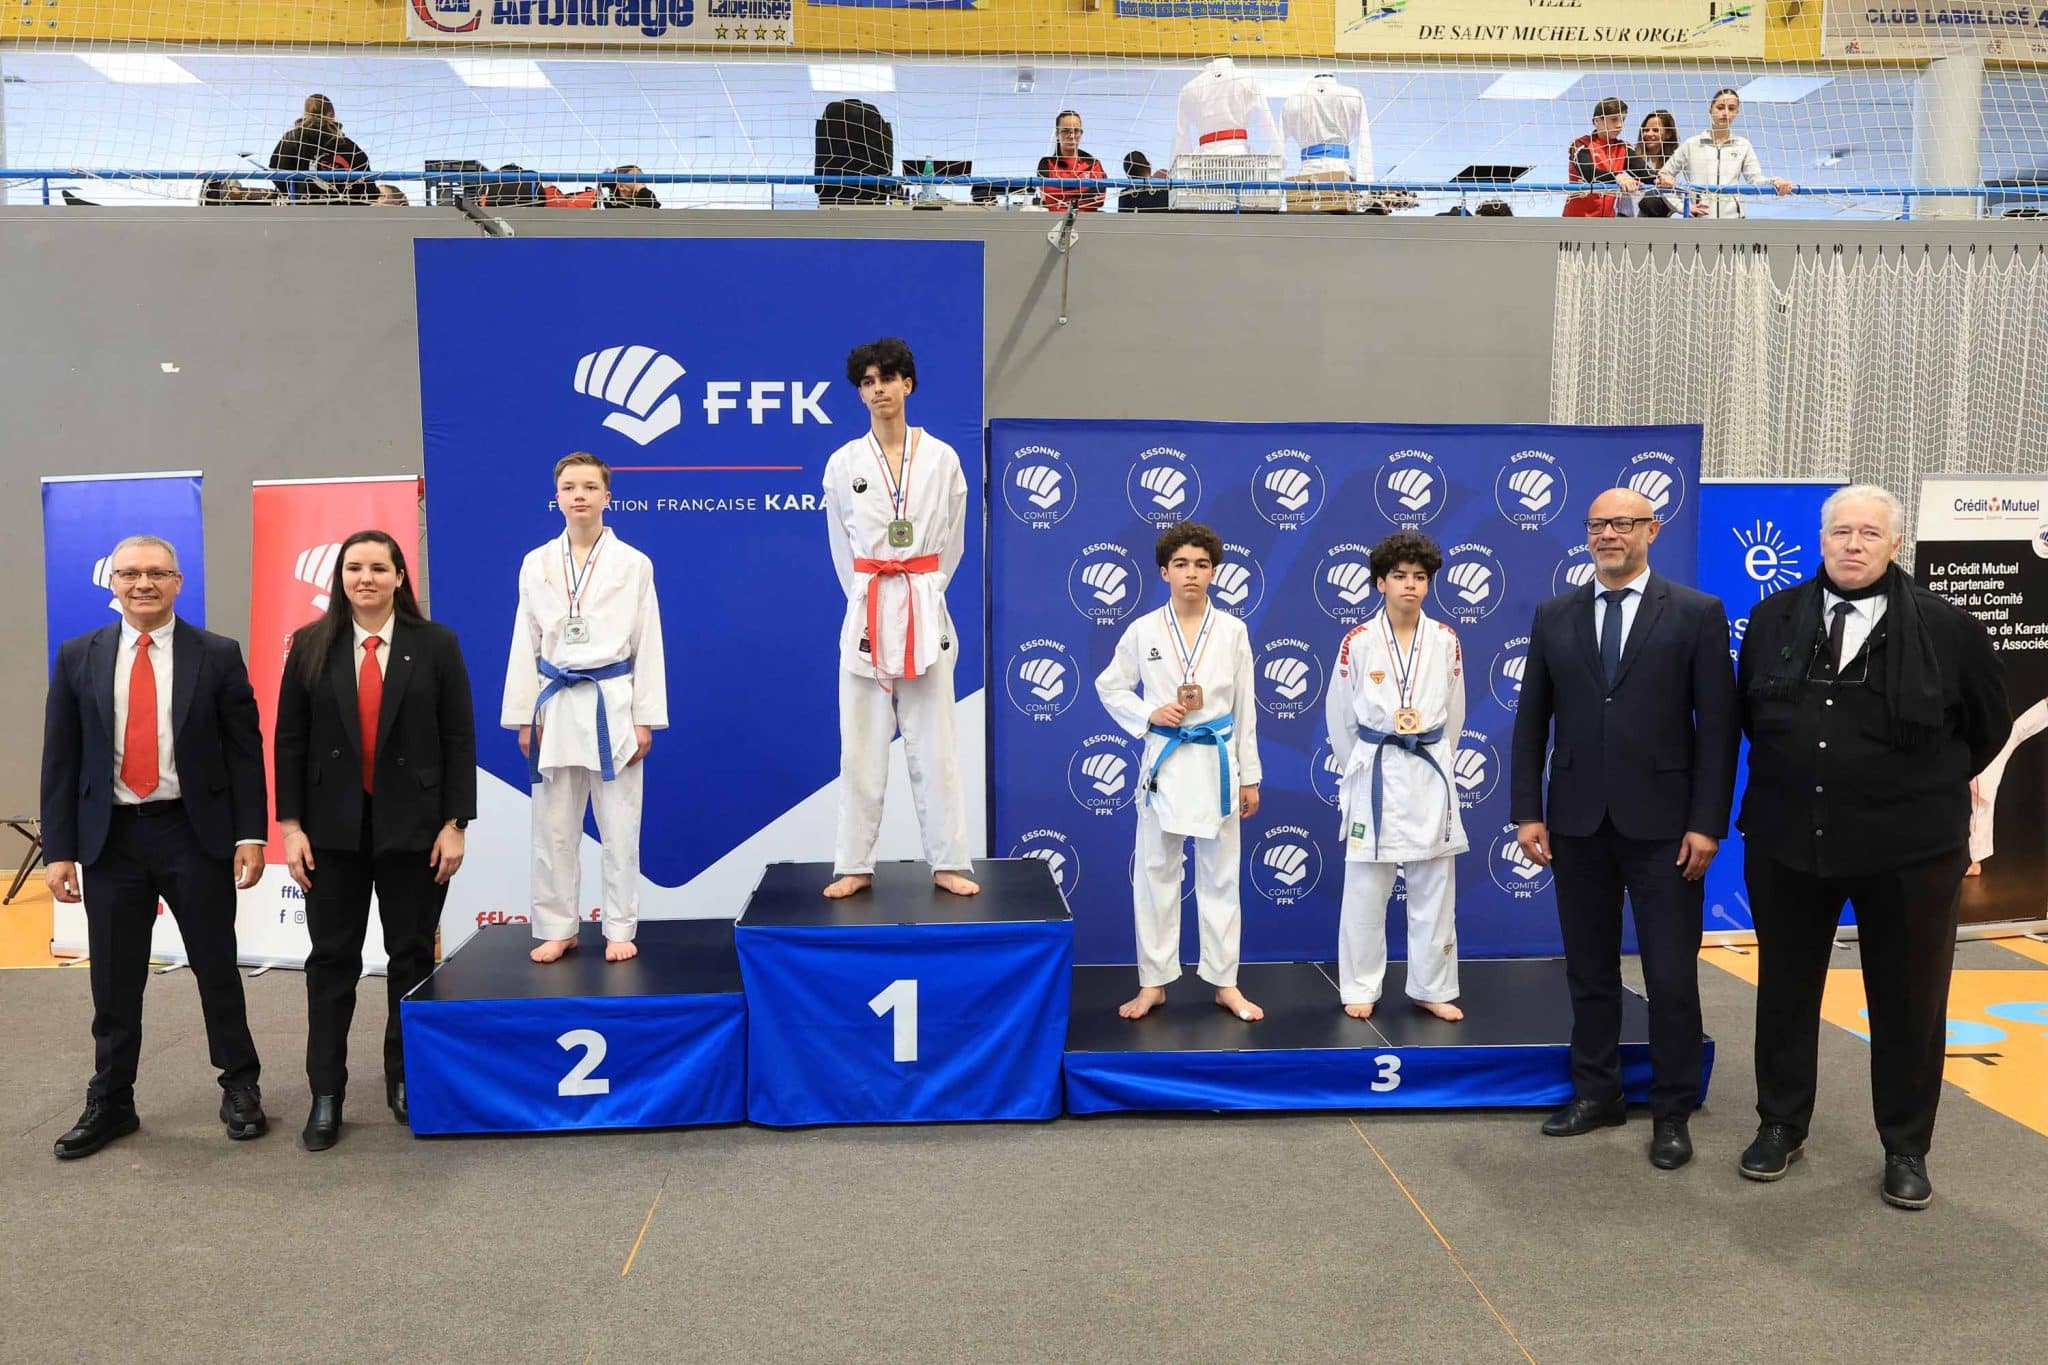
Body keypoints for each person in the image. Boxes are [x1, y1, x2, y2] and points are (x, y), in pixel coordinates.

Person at [1735, 485, 2009, 1210]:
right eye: (1840, 532)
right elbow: (1753, 719)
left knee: (1909, 1001)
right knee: (1786, 990)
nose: (1852, 545)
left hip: (1911, 853)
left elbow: (1986, 728)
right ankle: (1780, 1124)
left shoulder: (1950, 628)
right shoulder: (1773, 618)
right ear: (1821, 540)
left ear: (1895, 543)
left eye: (1868, 533)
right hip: (1789, 841)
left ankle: (1905, 1147)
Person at [1510, 488, 1738, 1171]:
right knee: (1589, 970)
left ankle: (1671, 1111)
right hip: (1577, 825)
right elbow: (1531, 721)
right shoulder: (1555, 614)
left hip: (1667, 830)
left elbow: (1718, 730)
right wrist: (1527, 810)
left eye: (1622, 523)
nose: (1608, 534)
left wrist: (1706, 823)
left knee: (1670, 978)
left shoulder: (1696, 612)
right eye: (1597, 524)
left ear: (1651, 530)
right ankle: (1597, 1093)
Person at [41, 535, 270, 1159]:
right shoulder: (77, 656)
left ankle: (240, 1085)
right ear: (113, 582)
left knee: (216, 967)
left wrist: (251, 833)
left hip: (192, 833)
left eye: (157, 573)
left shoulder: (216, 654)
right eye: (131, 574)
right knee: (114, 980)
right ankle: (112, 1099)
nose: (143, 584)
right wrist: (58, 849)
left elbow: (244, 752)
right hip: (110, 839)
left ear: (177, 582)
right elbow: (60, 758)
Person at [275, 530, 477, 1150]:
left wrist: (455, 823)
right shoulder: (310, 644)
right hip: (329, 834)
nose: (366, 578)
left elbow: (458, 738)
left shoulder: (435, 644)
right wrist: (290, 828)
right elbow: (289, 741)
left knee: (411, 959)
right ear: (340, 577)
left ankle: (406, 1078)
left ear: (399, 577)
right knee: (331, 963)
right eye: (354, 568)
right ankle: (326, 1093)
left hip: (415, 831)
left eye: (378, 568)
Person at [821, 338, 978, 901]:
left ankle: (949, 861)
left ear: (907, 384)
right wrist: (870, 596)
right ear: (859, 393)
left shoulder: (942, 458)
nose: (878, 389)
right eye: (867, 382)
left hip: (924, 609)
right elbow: (842, 549)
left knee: (935, 744)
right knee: (860, 747)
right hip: (867, 612)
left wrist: (923, 591)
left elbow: (953, 542)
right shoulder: (844, 463)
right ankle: (854, 864)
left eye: (887, 378)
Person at [502, 454, 668, 963]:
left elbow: (648, 643)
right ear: (556, 497)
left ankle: (619, 926)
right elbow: (525, 641)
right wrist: (524, 717)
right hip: (554, 704)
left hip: (611, 702)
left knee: (620, 825)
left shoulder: (634, 563)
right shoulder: (536, 563)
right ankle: (558, 926)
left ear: (606, 497)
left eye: (590, 487)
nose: (579, 495)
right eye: (570, 487)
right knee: (553, 826)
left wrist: (645, 718)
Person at [1095, 522, 1264, 1023]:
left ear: (1214, 572)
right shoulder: (1143, 629)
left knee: (1221, 876)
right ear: (1164, 572)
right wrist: (1148, 713)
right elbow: (1110, 686)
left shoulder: (1232, 631)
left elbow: (1245, 708)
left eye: (1202, 565)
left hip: (1217, 761)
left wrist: (1250, 776)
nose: (1192, 573)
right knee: (1155, 875)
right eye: (1182, 564)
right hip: (1165, 763)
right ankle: (1153, 982)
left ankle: (1225, 982)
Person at [1324, 532, 1466, 1021]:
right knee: (1366, 887)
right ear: (1380, 582)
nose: (1410, 585)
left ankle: (1432, 986)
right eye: (1400, 576)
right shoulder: (1358, 641)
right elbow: (1340, 716)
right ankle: (1360, 984)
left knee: (1434, 886)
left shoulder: (1445, 639)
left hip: (1428, 767)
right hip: (1376, 767)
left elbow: (1454, 712)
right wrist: (1362, 763)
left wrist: (1433, 754)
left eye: (1420, 577)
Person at [1657, 88, 1794, 219]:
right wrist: (1682, 207)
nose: (1725, 113)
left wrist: (1774, 181)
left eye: (1731, 108)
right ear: (1710, 110)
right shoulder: (1691, 144)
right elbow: (1662, 178)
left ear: (1737, 112)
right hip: (1699, 221)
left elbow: (1755, 180)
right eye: (1720, 107)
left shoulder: (1743, 145)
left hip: (1734, 222)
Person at [1967, 697, 2048, 873]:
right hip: (1982, 755)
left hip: (1985, 760)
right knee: (1979, 808)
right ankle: (1972, 859)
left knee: (1980, 807)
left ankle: (1973, 860)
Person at [269, 93, 372, 204]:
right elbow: (368, 186)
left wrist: (296, 194)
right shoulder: (350, 146)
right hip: (345, 209)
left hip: (303, 207)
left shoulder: (292, 138)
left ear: (306, 112)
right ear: (332, 114)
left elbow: (277, 172)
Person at [1173, 56, 1282, 158]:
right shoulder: (1247, 79)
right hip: (1240, 156)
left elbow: (1181, 135)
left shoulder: (1189, 89)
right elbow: (1266, 120)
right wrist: (1278, 153)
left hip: (1205, 159)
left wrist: (1182, 167)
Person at [1282, 72, 1371, 182]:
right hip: (1340, 171)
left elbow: (1278, 148)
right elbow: (1364, 141)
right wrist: (1366, 182)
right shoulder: (1353, 96)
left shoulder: (1292, 101)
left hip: (1307, 174)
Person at [1564, 96, 1642, 219]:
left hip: (1607, 220)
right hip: (1577, 219)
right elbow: (1589, 174)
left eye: (1622, 119)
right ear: (1597, 121)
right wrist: (1617, 177)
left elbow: (1645, 173)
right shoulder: (1581, 144)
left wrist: (1661, 178)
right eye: (1614, 119)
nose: (1620, 125)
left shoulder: (1624, 148)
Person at [1036, 111, 1107, 213]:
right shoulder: (1046, 163)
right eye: (1066, 131)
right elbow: (1049, 198)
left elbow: (1099, 198)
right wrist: (1082, 192)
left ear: (1081, 134)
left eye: (1076, 131)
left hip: (1087, 220)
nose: (1071, 136)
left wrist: (1065, 195)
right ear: (1057, 134)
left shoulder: (1093, 164)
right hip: (1055, 219)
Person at [1631, 110, 1691, 219]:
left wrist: (1684, 209)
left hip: (1658, 221)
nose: (1649, 134)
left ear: (1668, 134)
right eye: (1646, 130)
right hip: (1627, 220)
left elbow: (1677, 196)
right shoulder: (1631, 157)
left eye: (1655, 130)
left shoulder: (1674, 164)